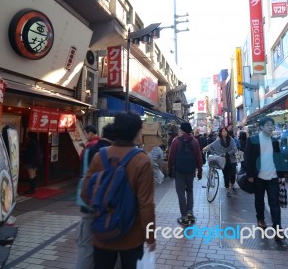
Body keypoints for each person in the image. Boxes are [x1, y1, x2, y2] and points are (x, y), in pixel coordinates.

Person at [81, 111, 155, 269]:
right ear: (136, 133)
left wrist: (102, 209)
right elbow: (146, 205)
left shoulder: (99, 156)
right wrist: (150, 236)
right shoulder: (142, 160)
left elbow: (85, 194)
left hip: (102, 233)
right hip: (131, 237)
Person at [75, 123, 116, 269]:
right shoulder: (114, 153)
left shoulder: (89, 150)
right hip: (106, 208)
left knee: (85, 247)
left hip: (87, 204)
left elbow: (83, 174)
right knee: (109, 247)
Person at [244, 117, 288, 242]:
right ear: (261, 127)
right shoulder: (252, 140)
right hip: (258, 177)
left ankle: (278, 229)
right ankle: (261, 218)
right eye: (268, 125)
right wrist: (250, 175)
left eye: (272, 125)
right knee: (259, 199)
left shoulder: (274, 141)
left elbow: (278, 159)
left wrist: (281, 176)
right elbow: (248, 158)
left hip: (273, 176)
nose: (270, 127)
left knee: (274, 202)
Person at [168, 122, 203, 225]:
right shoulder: (195, 141)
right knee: (190, 191)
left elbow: (171, 157)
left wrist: (170, 169)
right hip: (191, 171)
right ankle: (190, 213)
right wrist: (199, 170)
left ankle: (184, 217)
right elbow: (199, 157)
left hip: (179, 171)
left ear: (182, 130)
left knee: (181, 193)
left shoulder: (176, 141)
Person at [203, 127, 238, 197]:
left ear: (227, 132)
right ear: (221, 133)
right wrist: (206, 147)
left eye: (225, 131)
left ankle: (233, 183)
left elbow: (235, 149)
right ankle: (228, 190)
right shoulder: (219, 140)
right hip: (223, 160)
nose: (224, 133)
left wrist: (227, 153)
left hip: (232, 160)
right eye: (223, 132)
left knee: (232, 174)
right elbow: (212, 145)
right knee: (225, 175)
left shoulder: (231, 139)